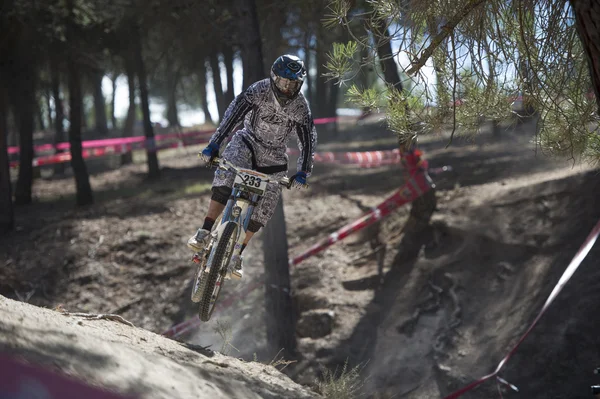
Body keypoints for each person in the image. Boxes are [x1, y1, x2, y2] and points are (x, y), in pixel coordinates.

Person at [187, 54, 317, 280]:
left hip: (275, 156)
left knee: (267, 202)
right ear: (274, 78)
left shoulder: (300, 107)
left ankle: (238, 253)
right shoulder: (258, 90)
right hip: (247, 142)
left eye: (293, 84)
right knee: (227, 173)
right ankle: (205, 230)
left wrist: (304, 171)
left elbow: (307, 139)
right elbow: (232, 115)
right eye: (284, 83)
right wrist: (214, 144)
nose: (287, 89)